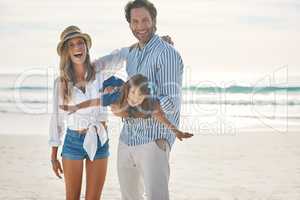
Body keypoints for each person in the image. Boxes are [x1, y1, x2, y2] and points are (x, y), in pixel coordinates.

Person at [49, 25, 174, 200]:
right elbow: (57, 119)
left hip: (100, 139)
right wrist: (54, 155)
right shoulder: (61, 83)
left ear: (86, 46)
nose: (77, 48)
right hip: (73, 141)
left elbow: (122, 54)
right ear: (66, 51)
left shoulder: (99, 69)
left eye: (80, 43)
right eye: (72, 45)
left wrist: (156, 44)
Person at [114, 0, 186, 199]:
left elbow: (171, 103)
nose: (140, 26)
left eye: (145, 20)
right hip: (127, 137)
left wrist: (127, 109)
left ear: (154, 20)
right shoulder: (132, 55)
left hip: (153, 139)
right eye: (135, 21)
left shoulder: (167, 54)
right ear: (129, 24)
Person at [59, 74, 193, 141]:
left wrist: (176, 132)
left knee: (151, 106)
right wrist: (75, 107)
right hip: (112, 84)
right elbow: (93, 102)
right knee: (108, 90)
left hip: (132, 100)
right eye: (133, 93)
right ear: (128, 90)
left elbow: (162, 118)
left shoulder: (148, 105)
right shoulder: (116, 95)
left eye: (139, 97)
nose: (135, 99)